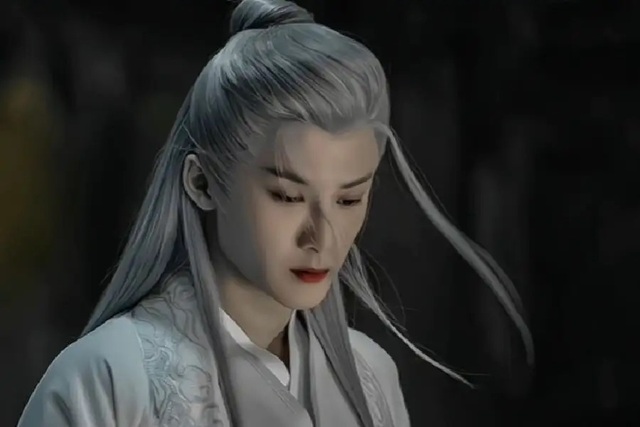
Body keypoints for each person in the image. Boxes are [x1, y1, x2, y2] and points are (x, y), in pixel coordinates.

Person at [18, 0, 533, 426]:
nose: (322, 236)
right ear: (201, 182)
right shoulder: (105, 377)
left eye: (349, 199)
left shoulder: (370, 377)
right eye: (287, 196)